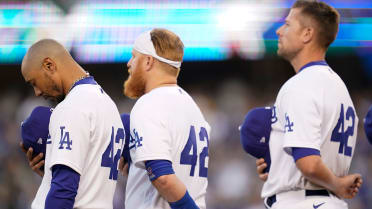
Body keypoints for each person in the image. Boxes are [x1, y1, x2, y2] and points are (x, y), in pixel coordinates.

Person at [252, 1, 362, 209]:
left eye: (287, 24)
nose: (278, 30)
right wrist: (278, 169)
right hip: (324, 200)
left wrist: (337, 184)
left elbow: (309, 163)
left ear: (307, 34)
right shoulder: (339, 87)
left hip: (304, 202)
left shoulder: (301, 85)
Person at [20, 39, 124, 209]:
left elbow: (64, 190)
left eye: (34, 82)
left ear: (49, 65)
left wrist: (57, 181)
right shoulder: (108, 103)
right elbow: (85, 182)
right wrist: (49, 175)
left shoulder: (72, 106)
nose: (37, 92)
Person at [119, 28, 211, 209]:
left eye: (134, 56)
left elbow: (163, 178)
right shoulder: (194, 108)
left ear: (148, 61)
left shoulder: (149, 104)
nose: (129, 63)